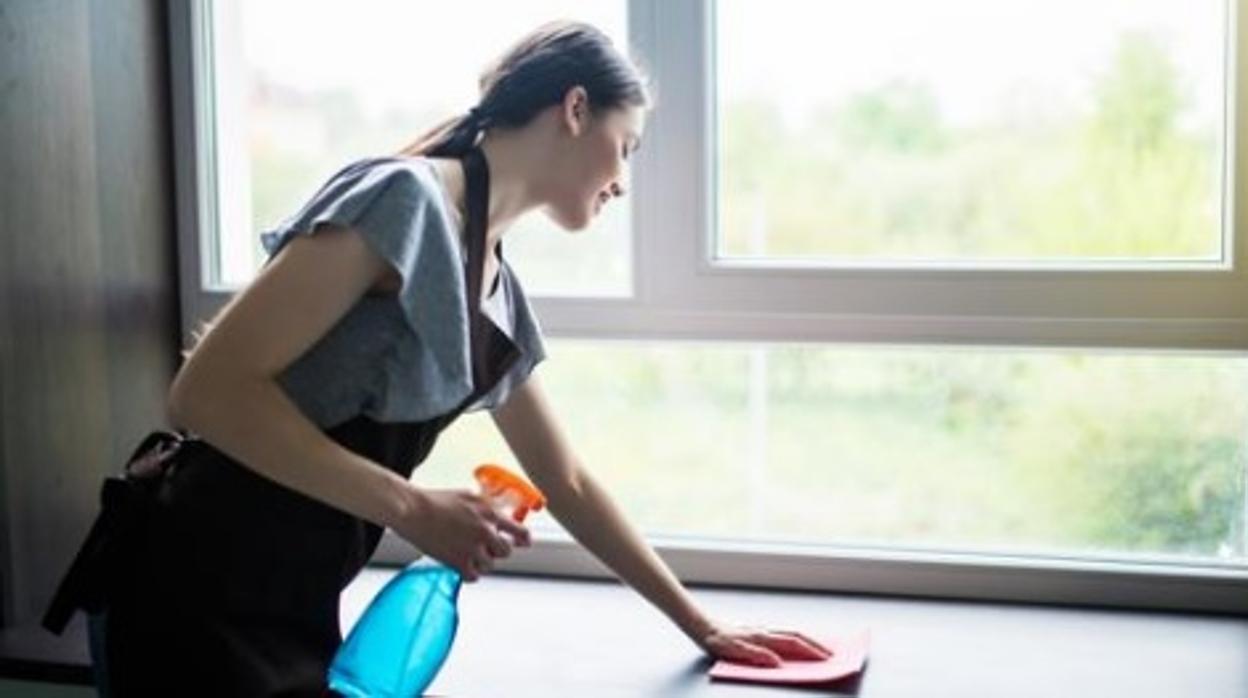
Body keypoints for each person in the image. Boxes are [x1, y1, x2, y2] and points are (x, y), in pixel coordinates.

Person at [79, 19, 831, 696]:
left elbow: (565, 481)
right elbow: (205, 392)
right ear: (574, 109)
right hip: (189, 585)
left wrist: (703, 628)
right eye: (626, 145)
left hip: (288, 603)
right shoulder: (403, 199)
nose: (624, 181)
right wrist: (412, 507)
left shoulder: (497, 295)